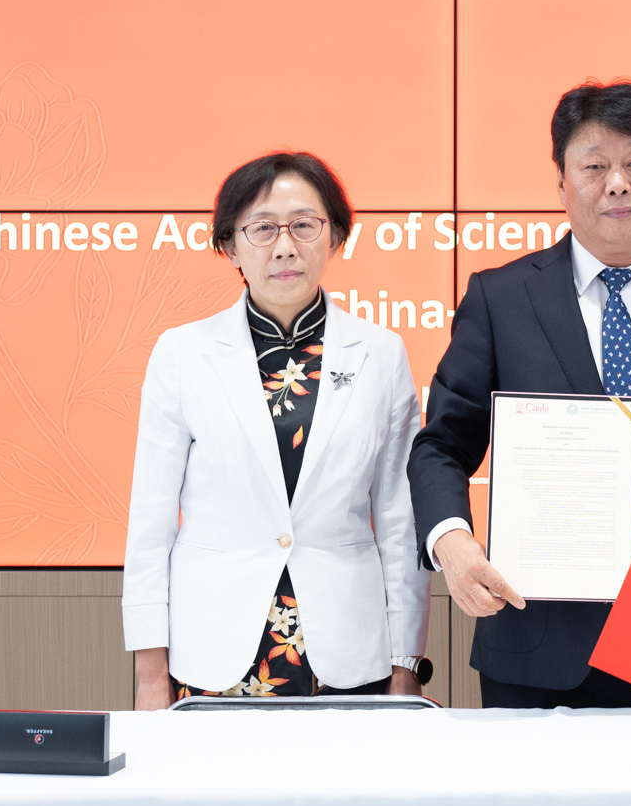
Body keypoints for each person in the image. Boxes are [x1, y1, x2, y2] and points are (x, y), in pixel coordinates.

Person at [409, 80, 631, 708]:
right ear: (561, 182)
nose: (618, 183)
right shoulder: (501, 299)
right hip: (535, 639)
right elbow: (442, 444)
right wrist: (452, 540)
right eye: (595, 166)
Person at [121, 153, 429, 706]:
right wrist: (150, 673)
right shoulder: (182, 353)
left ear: (335, 237)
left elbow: (400, 521)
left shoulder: (381, 354)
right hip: (215, 646)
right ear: (229, 245)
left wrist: (405, 661)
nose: (284, 246)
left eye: (304, 225)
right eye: (261, 229)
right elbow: (151, 519)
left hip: (348, 648)